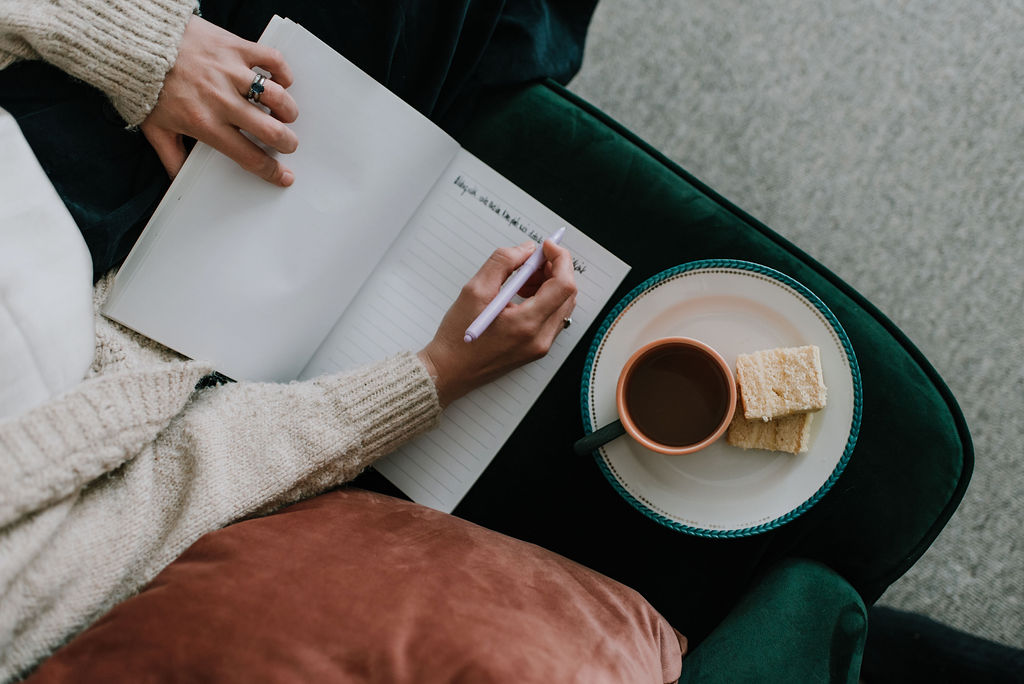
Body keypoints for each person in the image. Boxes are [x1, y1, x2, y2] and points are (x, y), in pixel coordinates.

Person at [0, 0, 591, 678]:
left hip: (44, 89)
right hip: (156, 293)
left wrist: (143, 46)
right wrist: (432, 374)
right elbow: (166, 497)